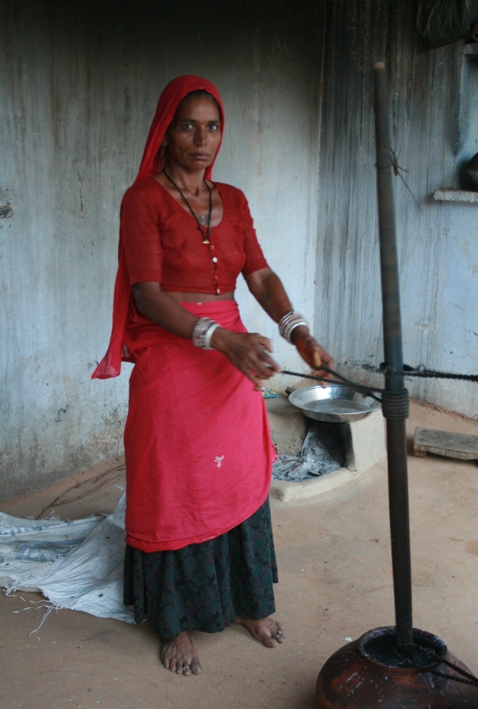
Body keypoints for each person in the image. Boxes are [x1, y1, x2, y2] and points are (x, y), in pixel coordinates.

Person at [92, 75, 333, 676]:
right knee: (175, 478)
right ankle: (174, 623)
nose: (202, 139)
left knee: (238, 474)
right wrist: (218, 339)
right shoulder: (142, 199)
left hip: (233, 353)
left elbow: (259, 275)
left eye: (212, 126)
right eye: (188, 126)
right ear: (165, 132)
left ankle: (248, 603)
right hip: (175, 349)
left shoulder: (234, 198)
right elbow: (147, 296)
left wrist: (295, 328)